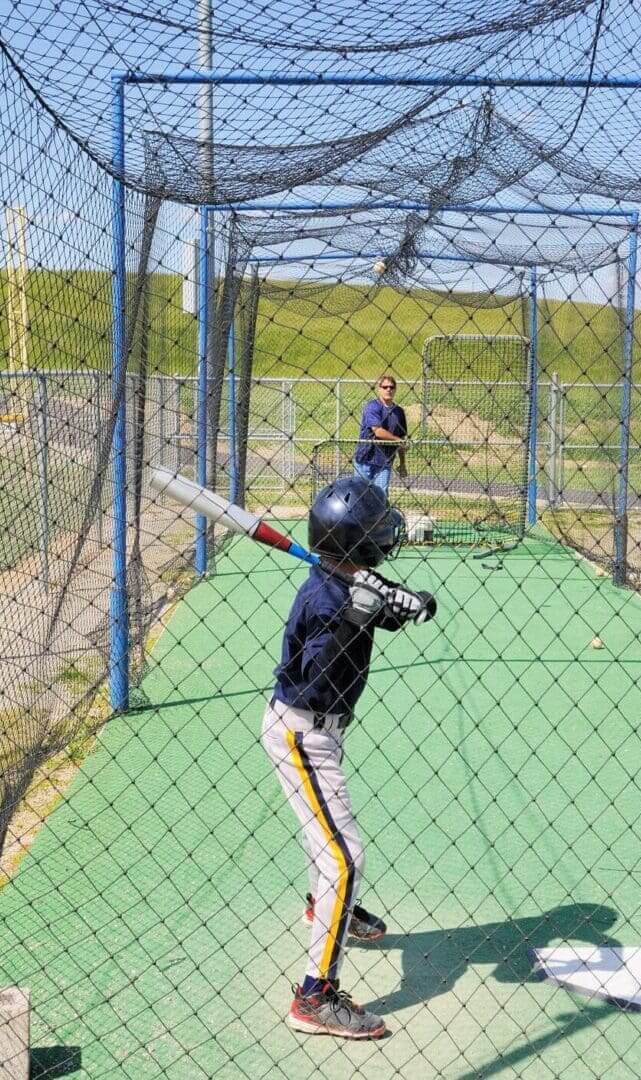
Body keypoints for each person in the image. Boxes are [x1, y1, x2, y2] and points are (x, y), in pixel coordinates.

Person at [261, 476, 437, 1039]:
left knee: (330, 844)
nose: (387, 532)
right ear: (356, 540)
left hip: (320, 734)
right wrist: (356, 616)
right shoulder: (323, 598)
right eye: (377, 526)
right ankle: (315, 997)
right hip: (301, 733)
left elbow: (381, 602)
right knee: (344, 858)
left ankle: (329, 906)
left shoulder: (348, 578)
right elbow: (314, 680)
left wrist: (408, 601)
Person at [351, 374, 407, 493]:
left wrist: (402, 463)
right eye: (385, 387)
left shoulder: (399, 412)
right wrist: (398, 440)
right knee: (361, 494)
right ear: (379, 389)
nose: (388, 390)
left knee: (381, 495)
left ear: (395, 389)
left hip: (385, 462)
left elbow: (401, 439)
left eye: (391, 387)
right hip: (365, 460)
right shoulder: (372, 407)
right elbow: (377, 431)